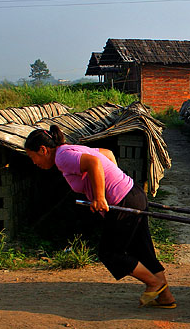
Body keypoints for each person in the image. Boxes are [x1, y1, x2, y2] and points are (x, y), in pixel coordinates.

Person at [24, 125, 176, 308]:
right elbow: (108, 154)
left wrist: (100, 196)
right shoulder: (71, 149)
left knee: (110, 252)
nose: (34, 163)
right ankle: (166, 297)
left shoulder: (62, 157)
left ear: (43, 150)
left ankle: (154, 283)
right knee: (142, 250)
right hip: (132, 193)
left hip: (124, 201)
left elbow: (95, 164)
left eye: (33, 157)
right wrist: (114, 181)